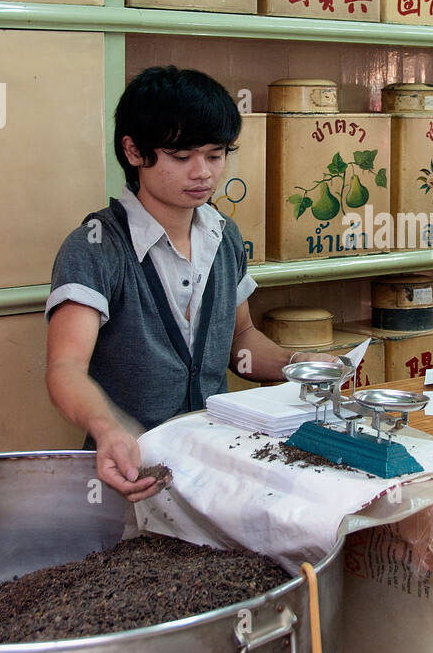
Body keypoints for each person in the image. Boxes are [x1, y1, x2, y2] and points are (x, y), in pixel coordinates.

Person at [45, 67, 337, 502]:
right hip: (132, 470)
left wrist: (299, 365)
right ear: (133, 151)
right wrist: (109, 428)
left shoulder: (224, 237)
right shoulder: (95, 247)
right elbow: (65, 367)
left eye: (215, 155)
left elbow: (241, 339)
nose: (202, 173)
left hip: (213, 464)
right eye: (181, 157)